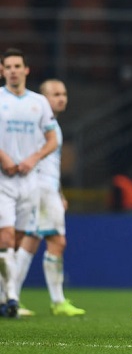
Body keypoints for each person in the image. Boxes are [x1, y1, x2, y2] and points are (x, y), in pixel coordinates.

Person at [11, 79, 85, 317]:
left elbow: (50, 163)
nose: (61, 98)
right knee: (56, 241)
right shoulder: (36, 124)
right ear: (42, 99)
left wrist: (59, 192)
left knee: (30, 241)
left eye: (63, 94)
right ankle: (56, 300)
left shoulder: (51, 124)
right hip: (39, 189)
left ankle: (11, 298)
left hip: (47, 188)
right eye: (55, 94)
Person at [0, 48, 58, 318]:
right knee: (6, 236)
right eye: (8, 66)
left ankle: (5, 294)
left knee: (18, 239)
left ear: (26, 70)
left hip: (29, 180)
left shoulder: (39, 102)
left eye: (17, 66)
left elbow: (52, 140)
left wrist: (32, 159)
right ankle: (11, 297)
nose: (13, 71)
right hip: (4, 179)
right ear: (2, 71)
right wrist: (5, 159)